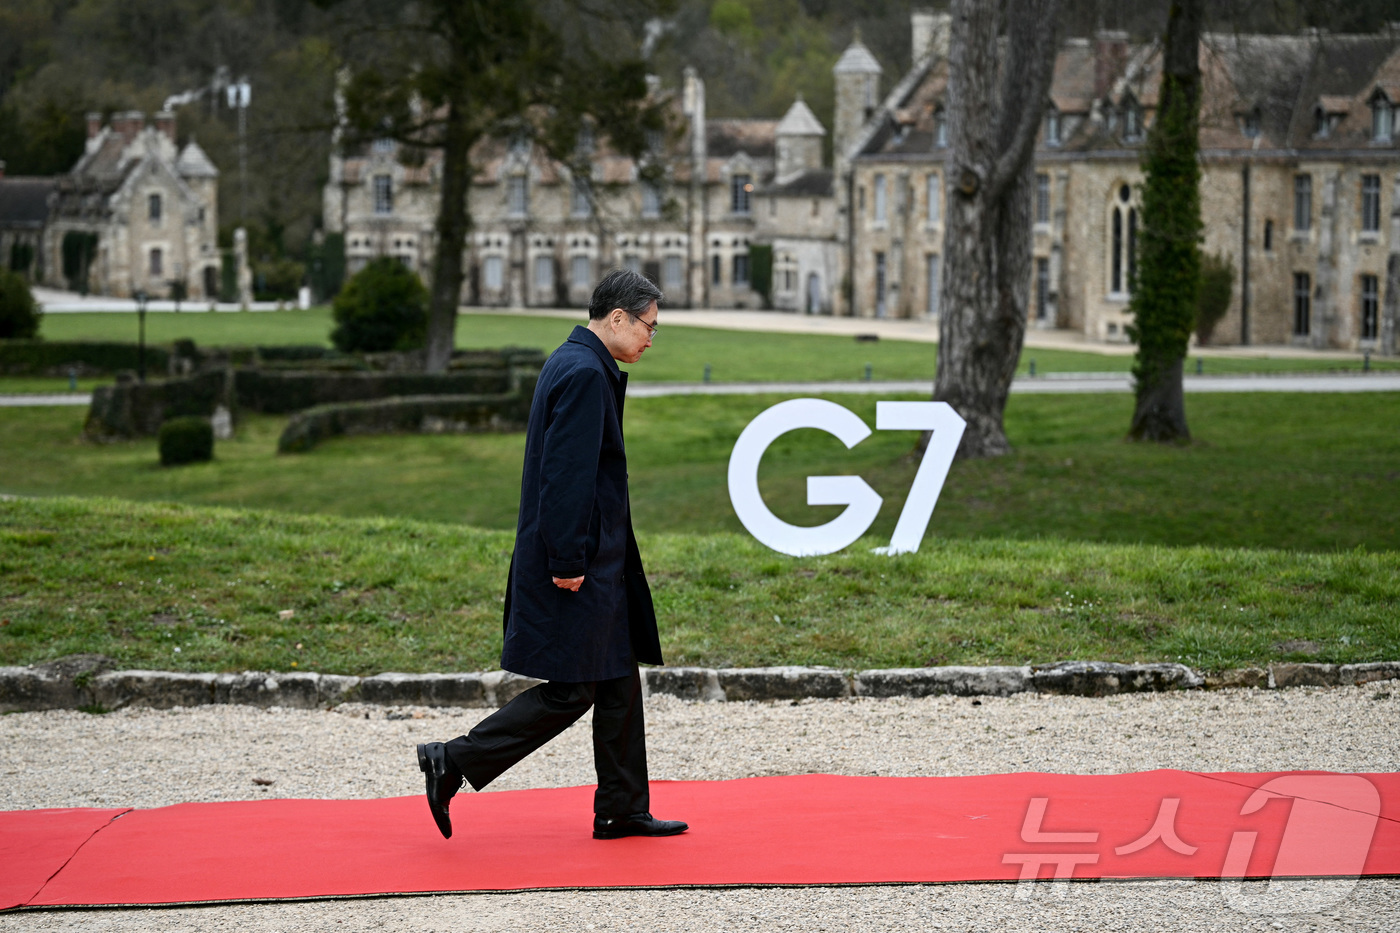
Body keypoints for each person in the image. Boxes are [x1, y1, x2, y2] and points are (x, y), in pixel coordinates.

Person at [416, 268, 687, 841]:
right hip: (579, 564)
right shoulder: (586, 373)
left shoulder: (575, 360)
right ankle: (453, 760)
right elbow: (565, 478)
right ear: (618, 317)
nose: (650, 339)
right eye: (649, 326)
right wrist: (568, 560)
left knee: (617, 679)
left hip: (599, 559)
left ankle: (621, 808)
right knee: (573, 689)